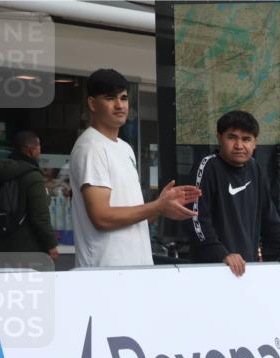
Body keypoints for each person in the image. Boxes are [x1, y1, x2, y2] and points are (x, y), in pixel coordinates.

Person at [70, 68, 200, 268]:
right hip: (105, 273)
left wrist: (163, 207)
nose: (119, 105)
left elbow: (131, 214)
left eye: (123, 98)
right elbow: (101, 217)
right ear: (92, 104)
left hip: (135, 269)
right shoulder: (91, 147)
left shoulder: (125, 148)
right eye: (110, 98)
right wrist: (157, 206)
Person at [189, 110, 280, 276]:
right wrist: (221, 254)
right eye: (232, 137)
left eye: (246, 139)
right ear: (219, 138)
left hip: (247, 270)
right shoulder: (207, 167)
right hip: (211, 271)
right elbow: (196, 219)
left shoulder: (255, 168)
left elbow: (269, 218)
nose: (239, 145)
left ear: (255, 143)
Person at [0, 130, 59, 261]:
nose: (40, 152)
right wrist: (51, 244)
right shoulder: (32, 175)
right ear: (30, 150)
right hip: (30, 248)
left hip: (3, 244)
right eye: (38, 148)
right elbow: (40, 216)